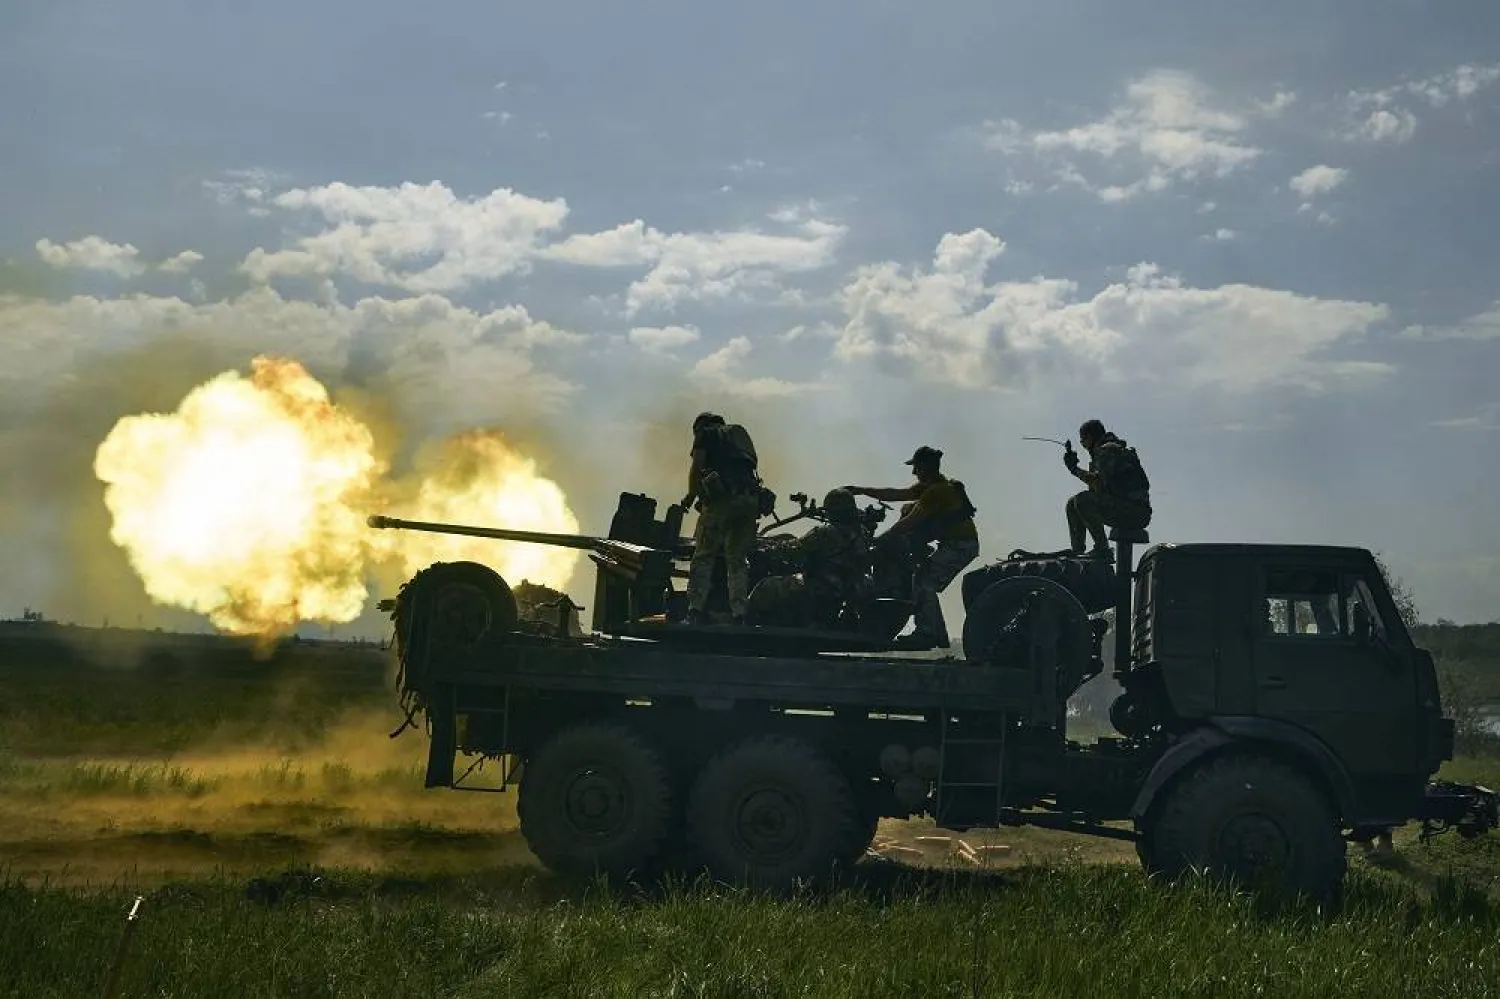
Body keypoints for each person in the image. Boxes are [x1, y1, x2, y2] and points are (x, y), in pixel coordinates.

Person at [847, 446, 979, 649]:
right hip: (957, 544)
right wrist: (862, 491)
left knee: (924, 581)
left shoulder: (935, 492)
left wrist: (877, 541)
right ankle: (937, 635)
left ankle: (927, 634)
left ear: (925, 467)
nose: (913, 472)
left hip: (960, 546)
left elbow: (907, 524)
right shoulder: (932, 487)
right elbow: (894, 494)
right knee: (922, 579)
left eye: (916, 467)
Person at [680, 412, 763, 625]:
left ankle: (695, 611)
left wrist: (690, 496)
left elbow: (697, 466)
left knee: (704, 556)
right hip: (750, 500)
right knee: (737, 560)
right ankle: (739, 613)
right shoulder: (738, 436)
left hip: (723, 501)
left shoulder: (706, 434)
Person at [1063, 419, 1151, 559]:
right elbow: (1097, 490)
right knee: (1072, 504)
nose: (1083, 445)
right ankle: (1077, 551)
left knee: (1082, 500)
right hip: (1126, 508)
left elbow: (1097, 484)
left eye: (1083, 441)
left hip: (1135, 512)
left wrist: (1074, 469)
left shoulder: (1108, 450)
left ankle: (1102, 549)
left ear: (1090, 437)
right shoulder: (1102, 453)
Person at [796, 488, 872, 629]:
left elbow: (795, 550)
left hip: (828, 588)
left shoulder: (823, 532)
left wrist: (776, 547)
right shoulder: (863, 533)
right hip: (855, 588)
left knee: (775, 586)